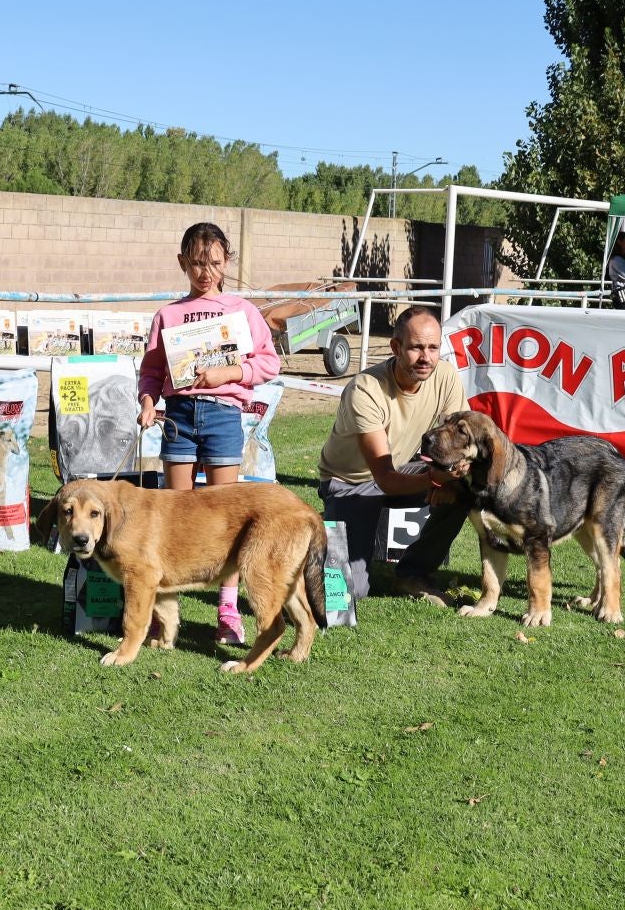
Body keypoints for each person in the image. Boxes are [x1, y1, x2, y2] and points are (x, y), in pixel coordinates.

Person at [134, 221, 281, 645]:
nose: (205, 272)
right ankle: (166, 616)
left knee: (226, 517)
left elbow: (268, 364)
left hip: (222, 417)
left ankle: (228, 611)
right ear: (182, 263)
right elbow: (152, 371)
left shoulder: (243, 312)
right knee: (174, 514)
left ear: (227, 262)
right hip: (178, 417)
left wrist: (228, 373)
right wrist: (148, 402)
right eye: (197, 263)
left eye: (214, 263)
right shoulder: (168, 314)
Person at [315, 305, 468, 606]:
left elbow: (459, 446)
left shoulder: (446, 377)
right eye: (416, 347)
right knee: (341, 597)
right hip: (349, 484)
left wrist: (449, 478)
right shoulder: (365, 389)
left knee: (465, 489)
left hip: (401, 472)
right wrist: (435, 480)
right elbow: (383, 478)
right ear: (395, 347)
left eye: (433, 347)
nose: (426, 357)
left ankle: (413, 573)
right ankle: (324, 528)